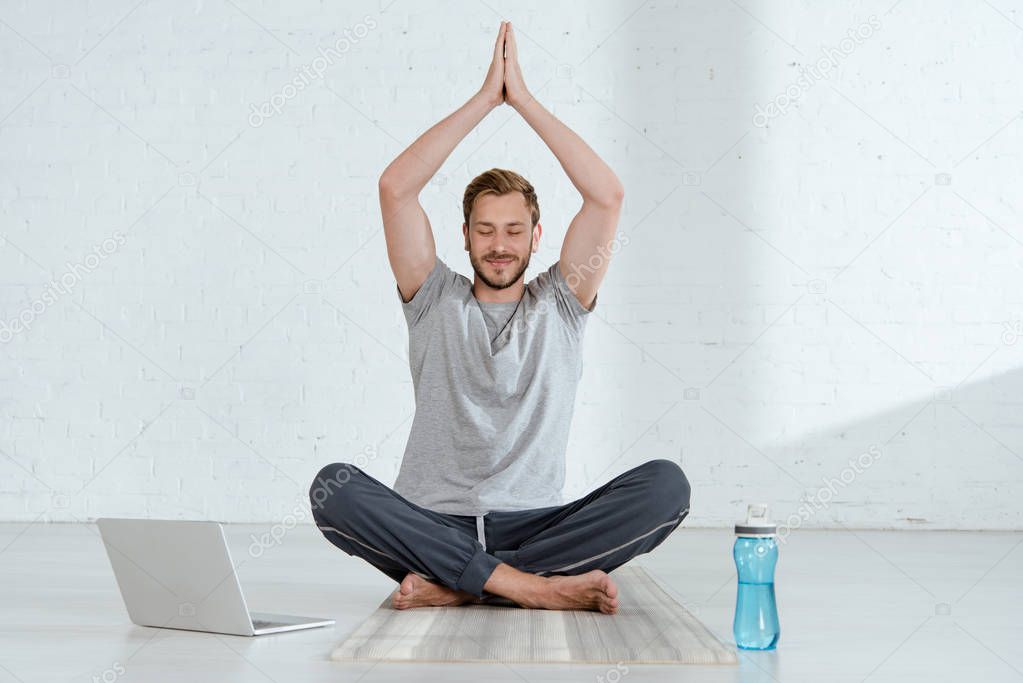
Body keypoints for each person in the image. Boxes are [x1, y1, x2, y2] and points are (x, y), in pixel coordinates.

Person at [310, 21, 690, 614]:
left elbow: (607, 196)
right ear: (464, 237)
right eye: (485, 231)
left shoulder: (561, 302)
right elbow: (395, 189)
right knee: (332, 488)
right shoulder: (433, 296)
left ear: (538, 237)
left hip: (535, 527)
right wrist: (487, 101)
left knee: (668, 486)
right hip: (432, 527)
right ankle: (530, 588)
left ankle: (465, 585)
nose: (499, 244)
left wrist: (526, 102)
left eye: (514, 231)